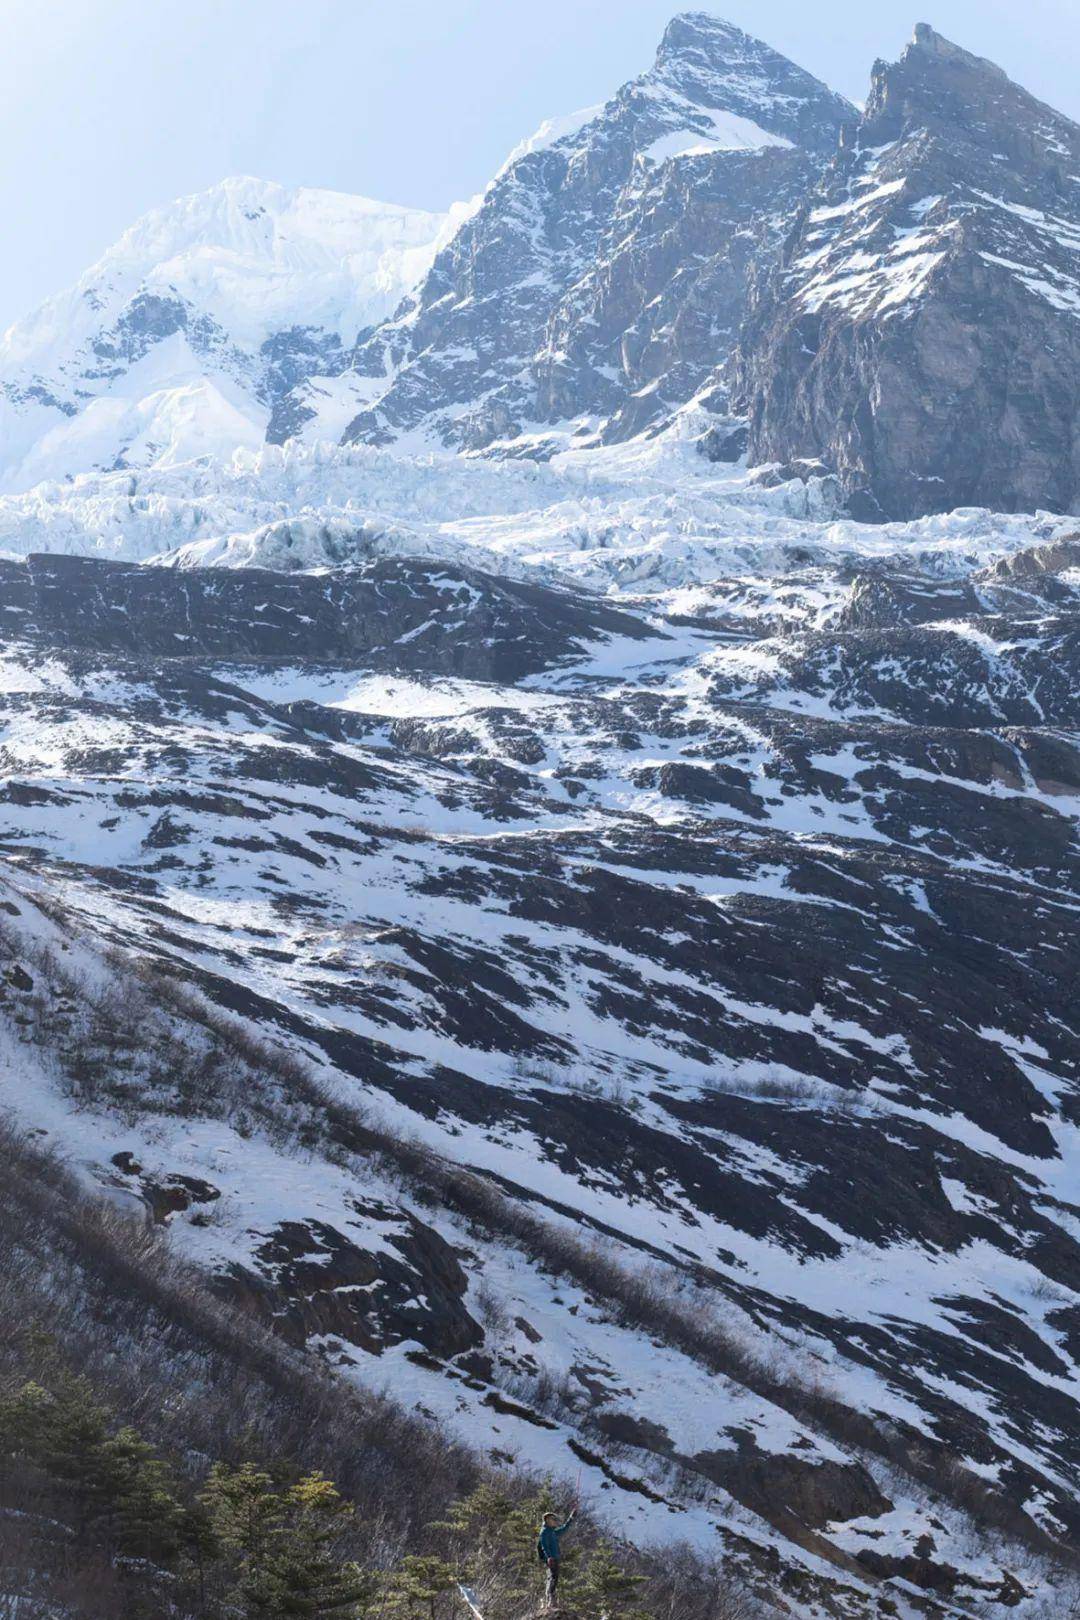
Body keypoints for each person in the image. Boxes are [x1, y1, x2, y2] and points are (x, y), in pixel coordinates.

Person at [537, 1507, 577, 1607]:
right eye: (553, 1519)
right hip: (551, 1559)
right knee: (553, 1578)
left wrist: (571, 1518)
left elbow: (564, 1529)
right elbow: (544, 1546)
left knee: (553, 1578)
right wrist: (549, 1557)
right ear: (547, 1520)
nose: (555, 1521)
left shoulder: (552, 1531)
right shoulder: (545, 1532)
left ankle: (549, 1599)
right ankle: (549, 1599)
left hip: (554, 1558)